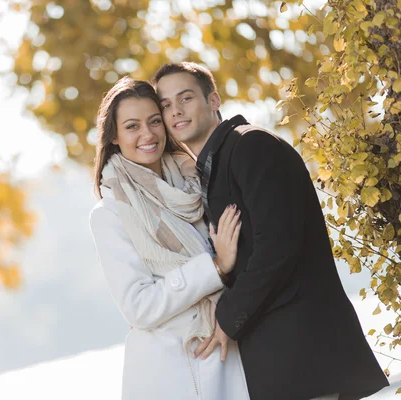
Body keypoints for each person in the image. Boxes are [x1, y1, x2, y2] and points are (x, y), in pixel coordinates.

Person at [152, 61, 389, 400]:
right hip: (282, 357)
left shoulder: (251, 146)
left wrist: (228, 317)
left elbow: (278, 245)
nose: (176, 111)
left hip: (303, 352)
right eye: (166, 105)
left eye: (186, 98)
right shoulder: (216, 164)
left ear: (214, 100)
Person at [89, 77, 250, 399]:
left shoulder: (198, 184)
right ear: (115, 137)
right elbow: (139, 307)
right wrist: (214, 268)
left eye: (153, 122)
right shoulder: (110, 214)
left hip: (227, 351)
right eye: (132, 126)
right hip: (168, 371)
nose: (147, 135)